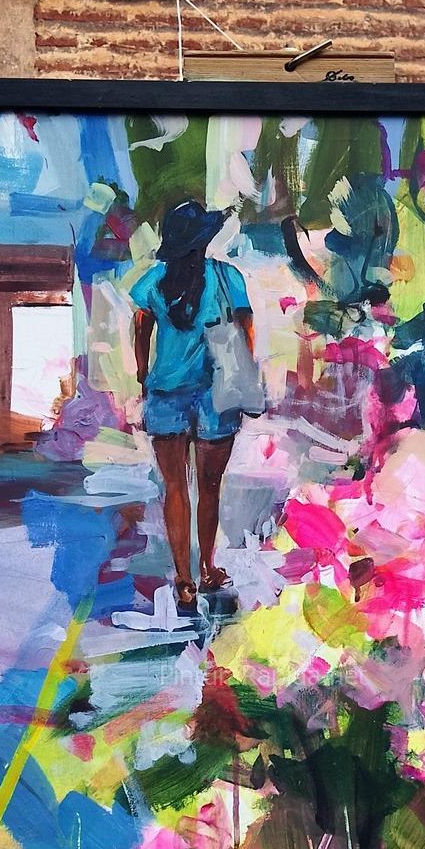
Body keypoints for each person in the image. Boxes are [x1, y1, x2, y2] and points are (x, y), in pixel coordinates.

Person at [131, 199, 253, 615]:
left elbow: (141, 325)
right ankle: (206, 568)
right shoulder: (227, 278)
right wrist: (243, 372)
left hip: (166, 392)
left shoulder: (154, 280)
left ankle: (183, 579)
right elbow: (245, 330)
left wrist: (143, 371)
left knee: (175, 488)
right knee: (210, 487)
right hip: (217, 393)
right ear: (203, 241)